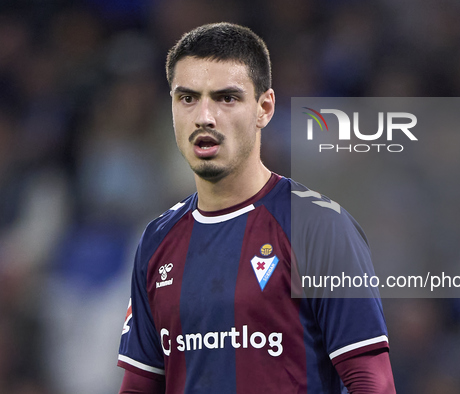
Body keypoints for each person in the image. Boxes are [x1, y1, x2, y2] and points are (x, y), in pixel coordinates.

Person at [117, 22, 396, 393]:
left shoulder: (315, 225)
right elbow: (140, 384)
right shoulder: (156, 241)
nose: (204, 117)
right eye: (187, 98)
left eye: (226, 98)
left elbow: (371, 381)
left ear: (264, 108)